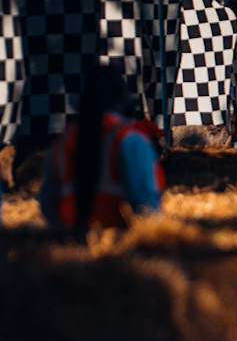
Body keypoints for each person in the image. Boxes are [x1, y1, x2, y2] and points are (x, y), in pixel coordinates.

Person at [39, 64, 165, 230]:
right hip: (118, 238)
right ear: (122, 97)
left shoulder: (62, 142)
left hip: (67, 239)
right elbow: (147, 205)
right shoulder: (129, 139)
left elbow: (47, 204)